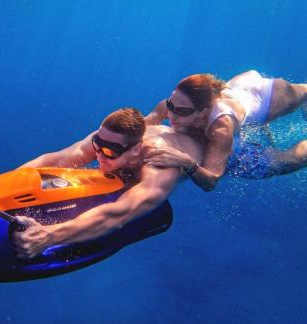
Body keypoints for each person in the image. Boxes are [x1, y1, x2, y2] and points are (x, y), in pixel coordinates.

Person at [11, 108, 202, 259]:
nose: (100, 156)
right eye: (97, 146)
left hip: (213, 148)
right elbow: (55, 160)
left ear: (135, 150)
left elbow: (119, 213)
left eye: (110, 152)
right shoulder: (108, 138)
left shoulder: (158, 165)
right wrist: (4, 181)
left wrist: (49, 236)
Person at [144, 70, 307, 191]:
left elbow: (211, 181)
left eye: (182, 111)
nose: (171, 115)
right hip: (238, 85)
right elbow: (143, 126)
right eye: (170, 104)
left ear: (204, 111)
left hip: (268, 97)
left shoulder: (221, 128)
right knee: (305, 93)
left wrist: (187, 163)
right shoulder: (171, 106)